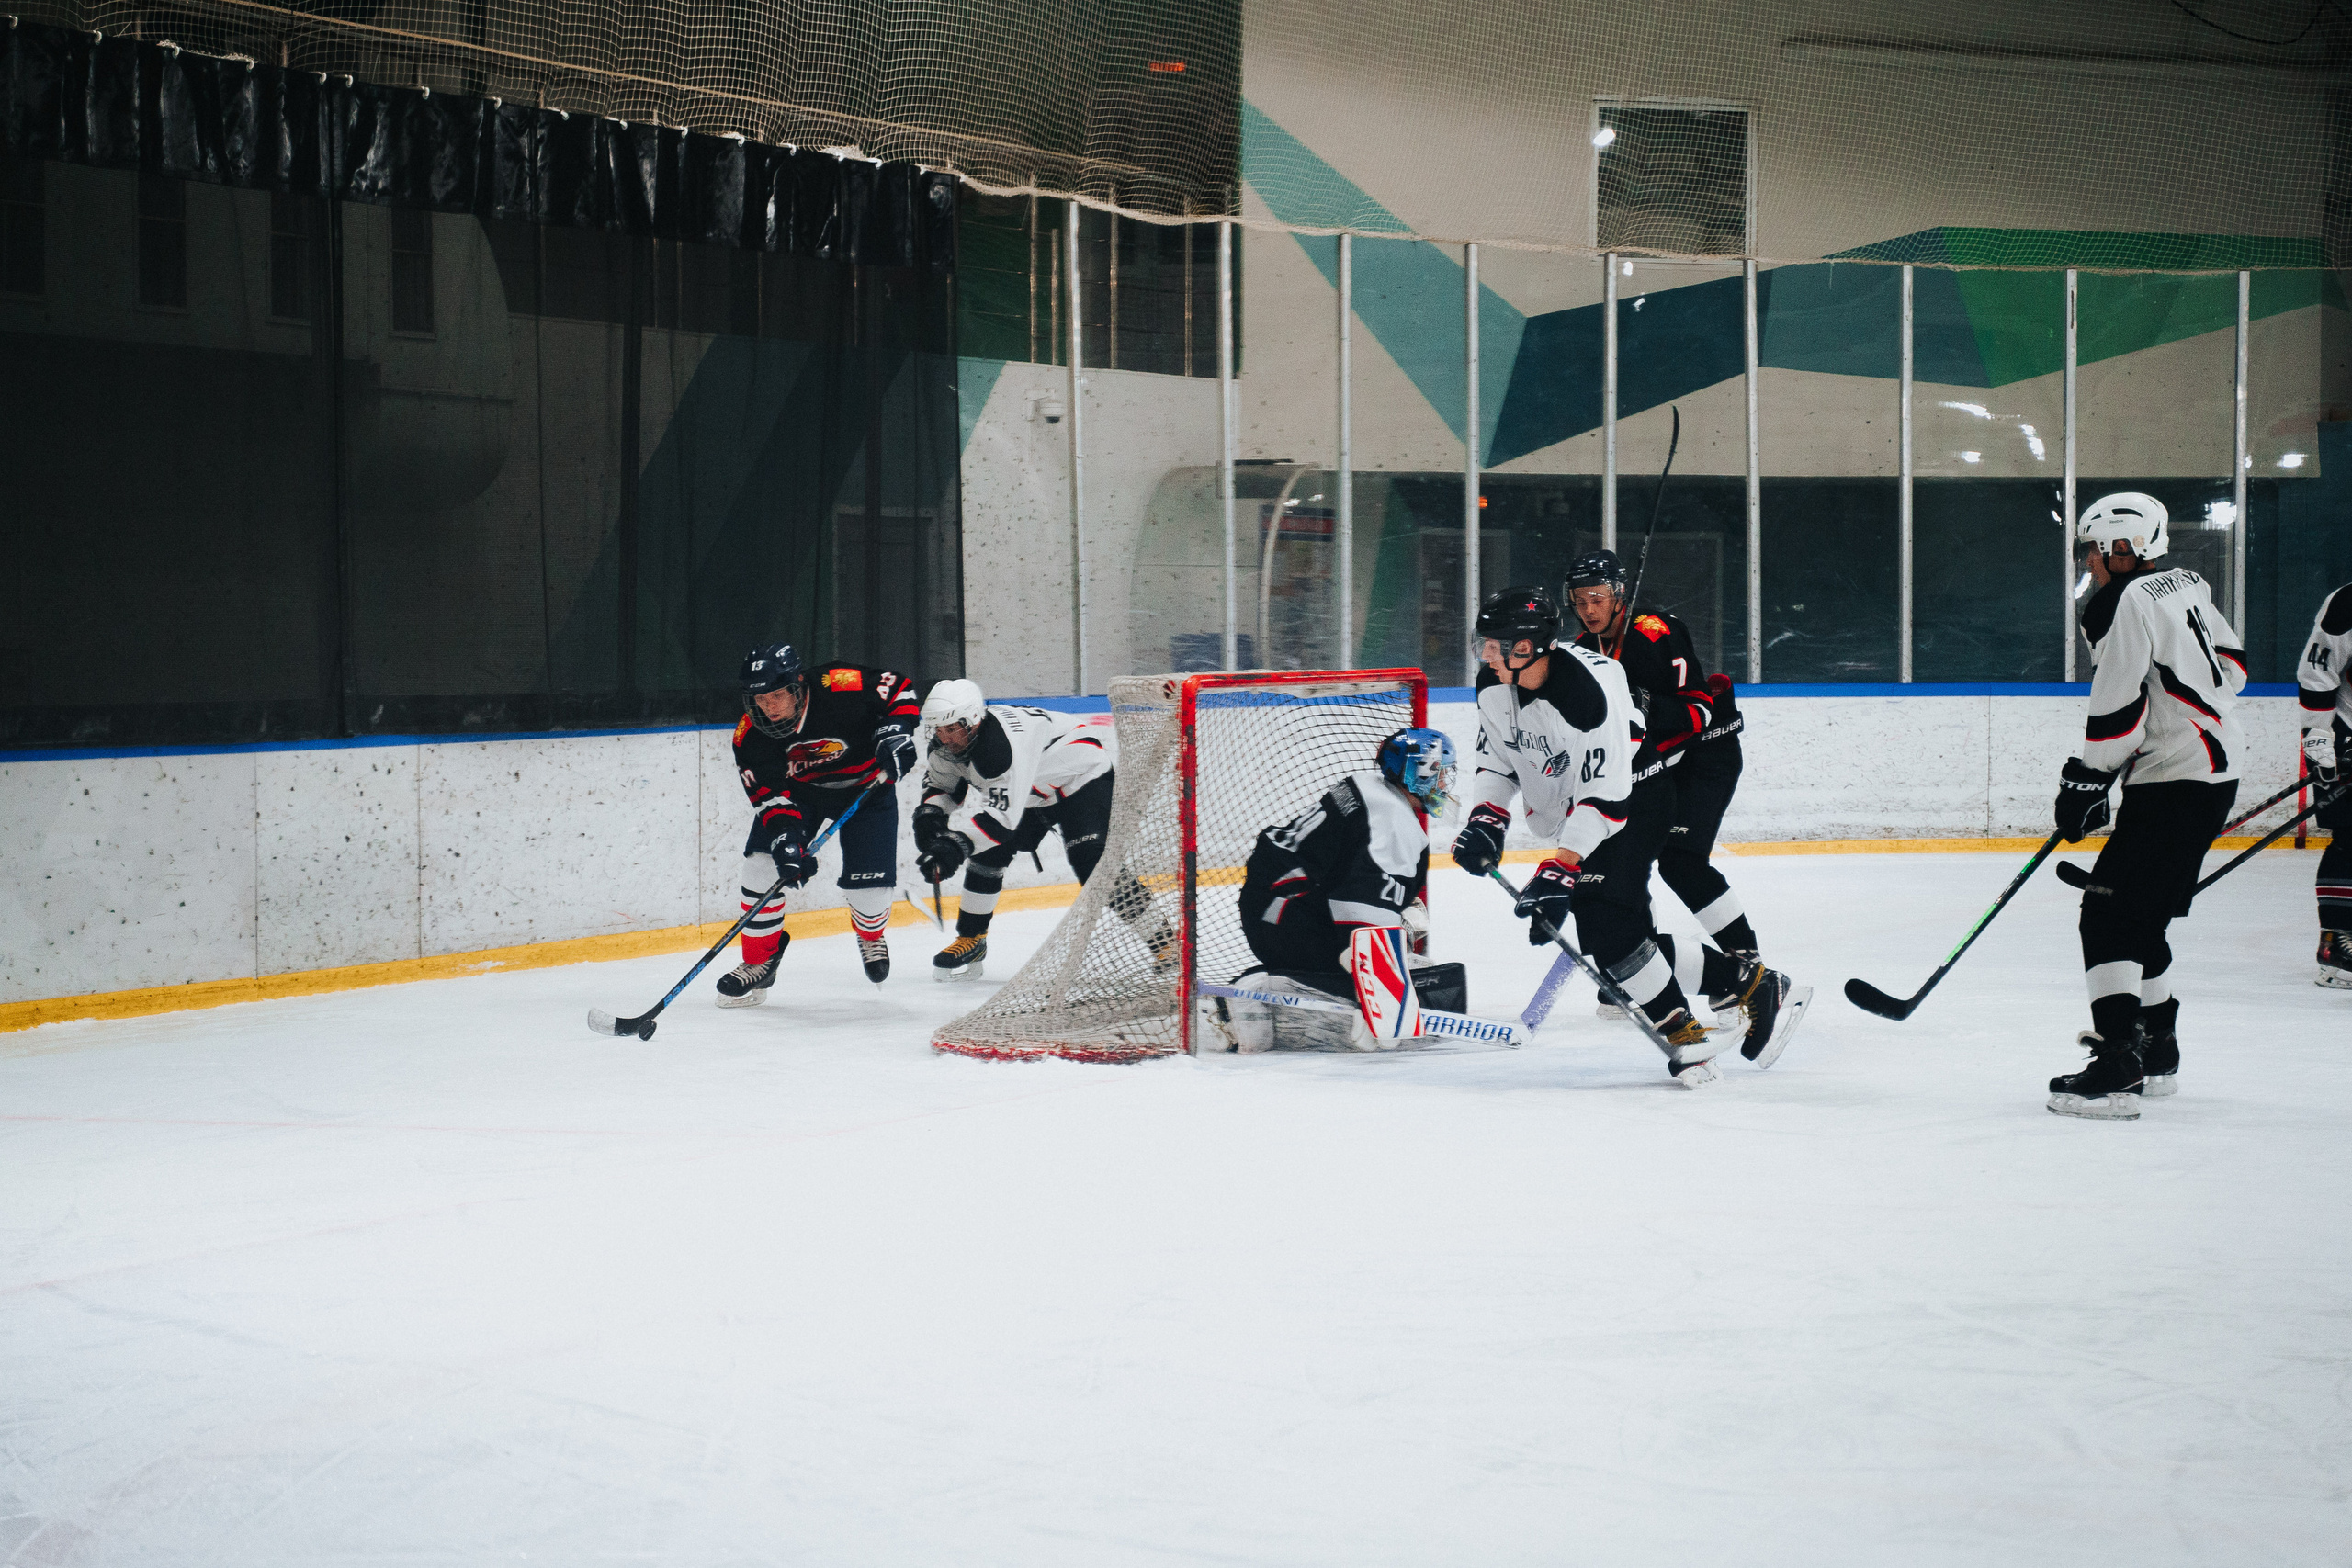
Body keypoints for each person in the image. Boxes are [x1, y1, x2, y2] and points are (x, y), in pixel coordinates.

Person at [1452, 586, 1805, 1087]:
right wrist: (1487, 819)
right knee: (1608, 937)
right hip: (1591, 803)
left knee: (1607, 920)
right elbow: (1499, 757)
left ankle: (1707, 1013)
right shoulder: (1493, 682)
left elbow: (1605, 800)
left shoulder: (1590, 697)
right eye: (1483, 642)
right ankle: (1740, 990)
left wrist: (1558, 871)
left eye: (1496, 644)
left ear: (1529, 647)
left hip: (1637, 797)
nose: (1485, 654)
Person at [2048, 492, 2247, 1117]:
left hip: (2174, 777)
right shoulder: (2183, 582)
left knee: (2106, 914)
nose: (2088, 560)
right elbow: (2234, 668)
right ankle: (2156, 1049)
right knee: (2141, 915)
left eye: (2093, 549)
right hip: (2215, 769)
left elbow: (2119, 707)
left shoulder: (2122, 602)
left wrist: (2088, 776)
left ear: (2119, 548)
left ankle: (2116, 1066)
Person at [1565, 547, 1762, 967]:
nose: (1588, 609)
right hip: (1653, 768)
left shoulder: (1654, 632)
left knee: (1680, 860)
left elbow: (1699, 712)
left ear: (1619, 593)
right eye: (1580, 600)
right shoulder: (1583, 648)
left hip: (1704, 757)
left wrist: (1641, 703)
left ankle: (1746, 963)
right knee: (1624, 862)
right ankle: (1641, 964)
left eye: (1597, 597)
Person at [1217, 728, 1454, 1051]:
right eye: (1439, 774)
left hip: (1274, 903)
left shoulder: (1369, 788)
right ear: (1417, 773)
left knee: (1368, 953)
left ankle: (1281, 991)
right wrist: (1379, 991)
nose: (1444, 784)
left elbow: (1345, 878)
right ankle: (1257, 989)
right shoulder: (1393, 819)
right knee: (1358, 964)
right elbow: (1361, 906)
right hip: (1285, 912)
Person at [718, 643, 920, 1003]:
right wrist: (786, 838)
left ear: (798, 684)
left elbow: (898, 686)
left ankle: (870, 935)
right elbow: (770, 796)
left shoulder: (836, 683)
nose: (770, 707)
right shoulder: (749, 735)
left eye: (778, 695)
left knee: (869, 896)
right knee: (762, 866)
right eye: (761, 699)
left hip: (867, 791)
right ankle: (760, 961)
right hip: (802, 795)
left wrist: (897, 729)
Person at [912, 679, 1125, 980]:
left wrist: (952, 847)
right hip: (1033, 788)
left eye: (951, 729)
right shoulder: (950, 745)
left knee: (1093, 863)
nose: (944, 738)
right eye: (938, 729)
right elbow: (942, 786)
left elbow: (1000, 823)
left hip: (1082, 779)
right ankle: (972, 939)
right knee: (988, 853)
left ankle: (1163, 941)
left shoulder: (999, 747)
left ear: (972, 720)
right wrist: (930, 818)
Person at [2293, 579, 2352, 988]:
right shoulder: (2347, 603)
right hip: (2346, 728)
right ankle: (2335, 945)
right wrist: (2319, 734)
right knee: (2350, 836)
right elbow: (2318, 668)